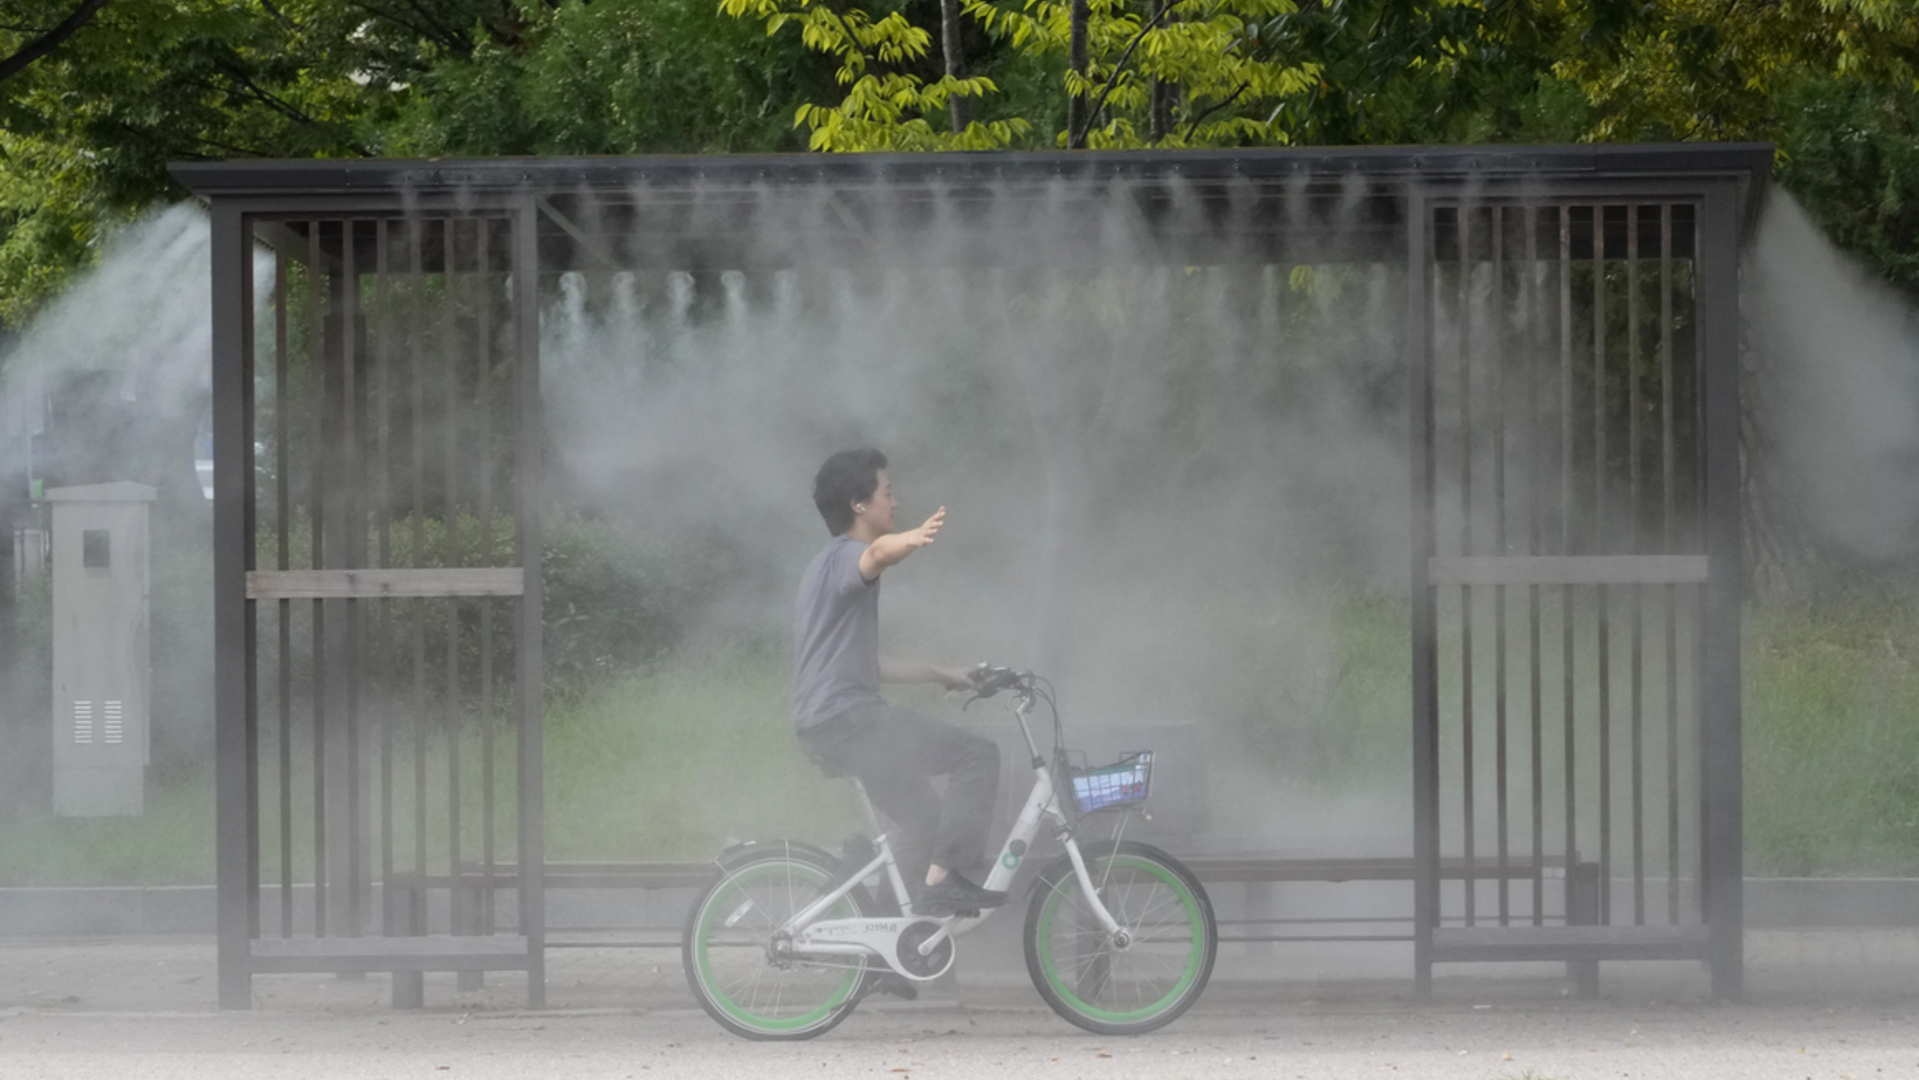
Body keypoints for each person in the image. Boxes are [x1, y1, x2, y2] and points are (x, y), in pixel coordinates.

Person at [791, 448, 1007, 917]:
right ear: (859, 505)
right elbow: (876, 555)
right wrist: (913, 538)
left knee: (927, 824)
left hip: (828, 724)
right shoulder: (850, 556)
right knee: (978, 755)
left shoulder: (822, 566)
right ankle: (946, 881)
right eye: (887, 492)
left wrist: (939, 674)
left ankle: (886, 953)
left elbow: (867, 662)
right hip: (849, 721)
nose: (895, 500)